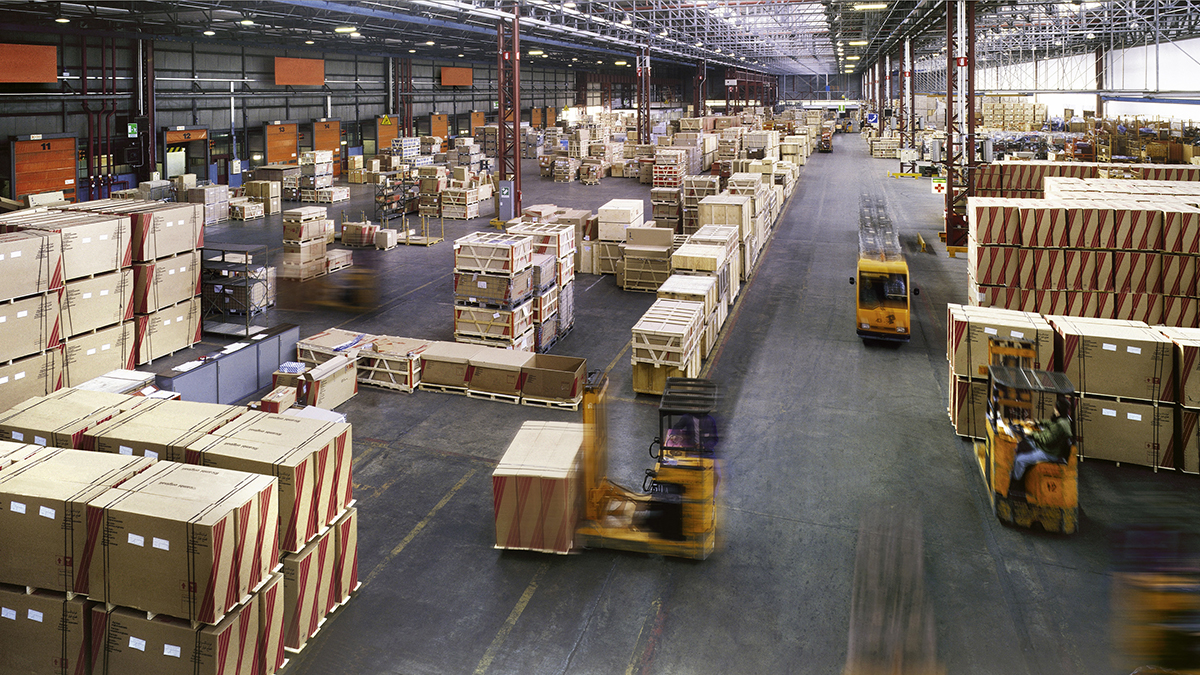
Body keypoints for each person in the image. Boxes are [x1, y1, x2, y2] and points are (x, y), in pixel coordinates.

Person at [1010, 396, 1074, 491]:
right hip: (1047, 448)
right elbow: (1051, 424)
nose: (1054, 409)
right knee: (1021, 445)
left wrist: (1031, 433)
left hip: (1049, 452)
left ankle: (1015, 485)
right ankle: (1020, 474)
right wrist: (1037, 423)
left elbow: (1046, 440)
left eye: (1055, 408)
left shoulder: (1060, 425)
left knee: (1020, 460)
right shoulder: (1063, 419)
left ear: (1058, 409)